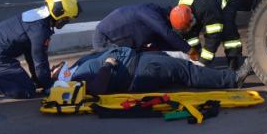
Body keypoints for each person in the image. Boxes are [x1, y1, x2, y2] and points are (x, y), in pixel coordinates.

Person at [0, 0, 80, 101]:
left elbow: (31, 54)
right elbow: (40, 60)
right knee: (27, 90)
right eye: (66, 18)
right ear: (59, 14)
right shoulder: (40, 30)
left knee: (27, 83)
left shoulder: (38, 17)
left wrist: (38, 79)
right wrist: (48, 85)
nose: (67, 21)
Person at [68, 46, 248, 95]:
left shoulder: (72, 69)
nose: (54, 68)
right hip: (138, 72)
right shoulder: (77, 80)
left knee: (177, 62)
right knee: (184, 70)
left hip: (138, 60)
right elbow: (99, 88)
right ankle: (232, 79)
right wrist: (107, 64)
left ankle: (224, 76)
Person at [173, 0, 244, 70]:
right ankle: (199, 55)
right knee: (190, 31)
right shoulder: (181, 8)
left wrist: (203, 62)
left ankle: (234, 60)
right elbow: (189, 35)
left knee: (227, 28)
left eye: (188, 26)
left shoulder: (207, 9)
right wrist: (195, 54)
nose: (188, 29)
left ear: (192, 17)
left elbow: (213, 37)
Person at [92, 2, 193, 57]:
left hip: (119, 40)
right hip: (104, 39)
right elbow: (165, 32)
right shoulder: (150, 13)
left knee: (152, 54)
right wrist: (188, 49)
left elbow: (162, 43)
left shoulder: (156, 21)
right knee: (130, 63)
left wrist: (184, 49)